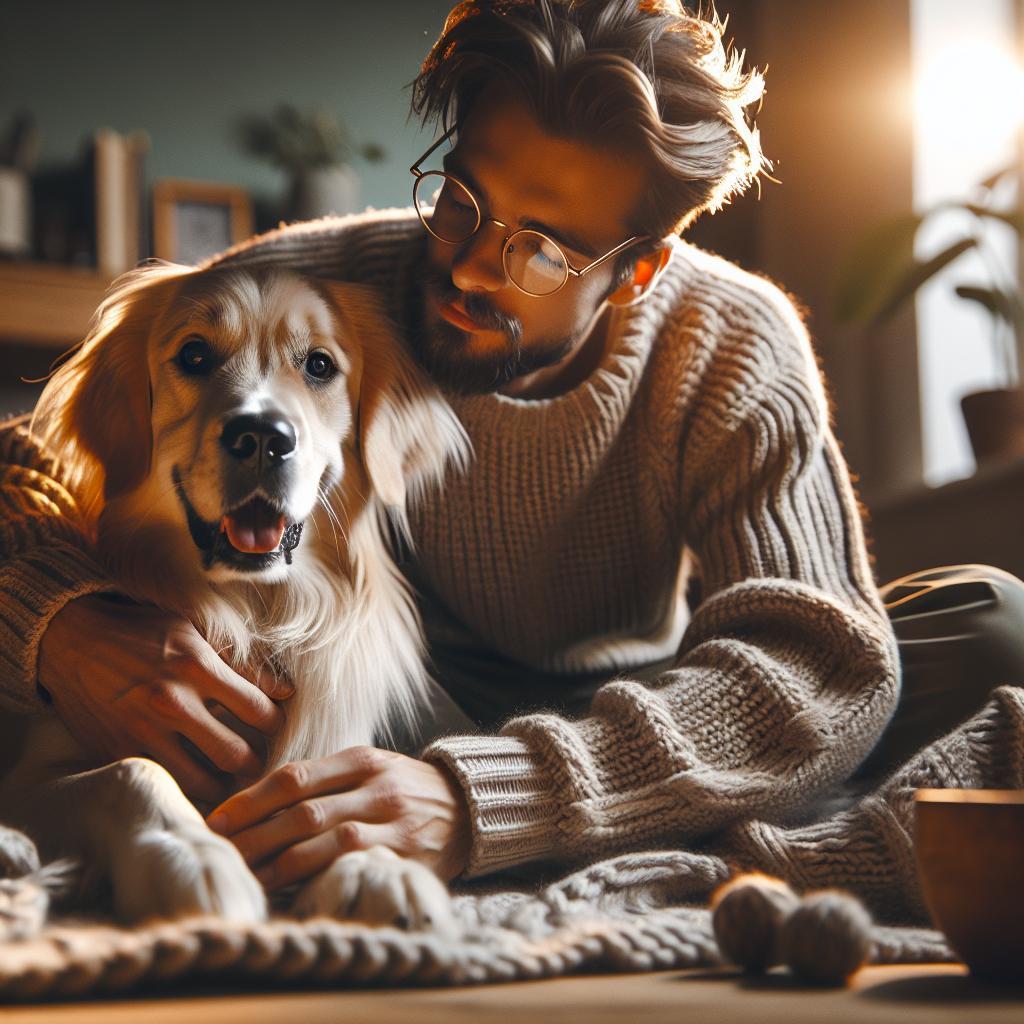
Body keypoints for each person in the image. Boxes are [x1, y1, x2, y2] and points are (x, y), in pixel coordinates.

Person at [0, 1, 1011, 900]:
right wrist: (60, 628)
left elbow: (819, 657)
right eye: (461, 198)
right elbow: (26, 457)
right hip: (382, 686)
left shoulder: (730, 338)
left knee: (992, 622)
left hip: (635, 700)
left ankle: (578, 829)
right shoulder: (304, 296)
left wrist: (478, 795)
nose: (471, 264)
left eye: (540, 247)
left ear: (637, 270)